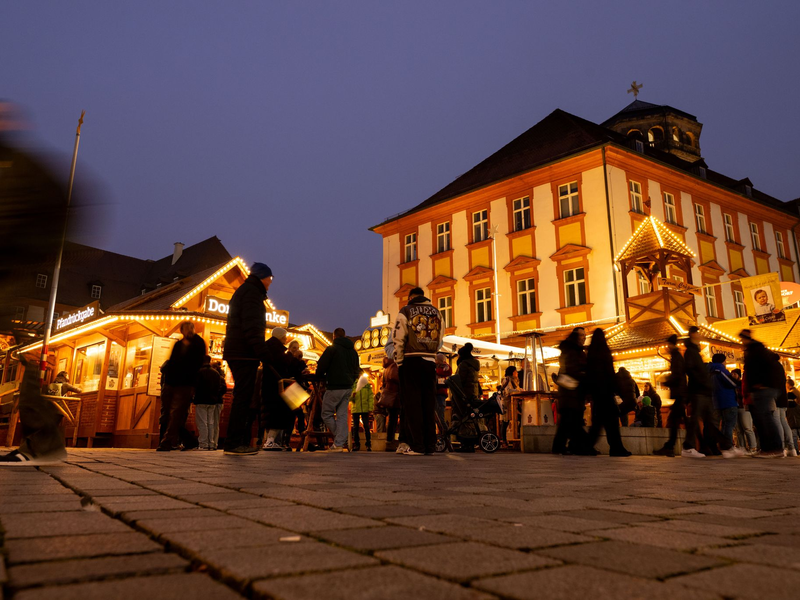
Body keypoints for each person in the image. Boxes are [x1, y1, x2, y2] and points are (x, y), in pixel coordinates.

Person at [0, 102, 71, 464]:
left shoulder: (22, 167)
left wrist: (25, 252)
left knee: (23, 358)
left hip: (9, 268)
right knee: (21, 357)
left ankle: (44, 438)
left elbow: (59, 206)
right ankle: (44, 439)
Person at [222, 262, 274, 456]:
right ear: (263, 277)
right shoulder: (252, 294)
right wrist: (263, 353)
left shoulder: (246, 292)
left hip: (239, 352)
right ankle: (234, 442)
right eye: (270, 278)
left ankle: (235, 441)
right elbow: (252, 328)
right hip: (244, 354)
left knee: (241, 397)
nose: (270, 283)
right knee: (243, 398)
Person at [392, 287, 444, 456]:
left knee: (412, 405)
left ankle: (417, 446)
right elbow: (441, 337)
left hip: (411, 360)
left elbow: (398, 337)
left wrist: (399, 361)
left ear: (411, 297)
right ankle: (430, 445)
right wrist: (432, 352)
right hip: (430, 361)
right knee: (428, 404)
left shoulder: (406, 311)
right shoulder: (437, 311)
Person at [682, 326, 739, 458]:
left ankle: (719, 446)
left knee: (709, 422)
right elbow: (691, 370)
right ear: (693, 335)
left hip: (706, 393)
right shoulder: (691, 352)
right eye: (698, 334)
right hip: (699, 391)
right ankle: (689, 447)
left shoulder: (695, 352)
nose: (700, 337)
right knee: (699, 420)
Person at [157, 321, 206, 452]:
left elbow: (197, 363)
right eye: (186, 328)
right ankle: (189, 440)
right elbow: (172, 362)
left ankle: (167, 442)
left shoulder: (198, 343)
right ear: (182, 331)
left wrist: (193, 384)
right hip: (171, 382)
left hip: (185, 383)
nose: (189, 330)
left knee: (176, 413)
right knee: (168, 413)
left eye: (191, 328)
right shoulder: (178, 344)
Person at [586, 328, 630, 456]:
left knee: (597, 424)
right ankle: (616, 448)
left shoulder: (591, 353)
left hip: (597, 394)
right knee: (612, 423)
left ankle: (587, 446)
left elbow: (589, 375)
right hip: (606, 392)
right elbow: (610, 373)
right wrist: (618, 390)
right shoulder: (604, 352)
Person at [740, 329, 784, 457]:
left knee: (765, 419)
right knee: (762, 419)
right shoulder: (757, 351)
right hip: (760, 389)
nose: (741, 342)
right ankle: (767, 448)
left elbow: (760, 370)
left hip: (762, 389)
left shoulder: (757, 351)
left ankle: (774, 448)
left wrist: (761, 384)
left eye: (742, 339)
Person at [317, 328, 360, 452]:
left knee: (326, 413)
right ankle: (339, 444)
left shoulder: (332, 349)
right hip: (348, 386)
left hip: (334, 386)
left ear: (334, 337)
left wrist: (319, 376)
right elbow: (357, 369)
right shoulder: (353, 351)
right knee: (341, 415)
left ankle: (340, 439)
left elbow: (322, 366)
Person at [552, 327, 591, 455]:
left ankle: (564, 446)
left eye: (585, 335)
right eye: (581, 335)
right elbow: (574, 371)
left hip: (569, 394)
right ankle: (584, 446)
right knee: (573, 423)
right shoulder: (573, 352)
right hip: (571, 394)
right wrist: (584, 376)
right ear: (576, 337)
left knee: (567, 424)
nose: (584, 337)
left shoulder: (570, 351)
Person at [260, 328, 293, 451]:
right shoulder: (277, 349)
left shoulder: (268, 346)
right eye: (284, 336)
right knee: (277, 413)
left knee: (271, 414)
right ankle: (270, 441)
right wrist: (290, 355)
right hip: (276, 386)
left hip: (269, 385)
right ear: (280, 337)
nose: (286, 338)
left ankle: (270, 440)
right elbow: (282, 363)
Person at [654, 334, 687, 457]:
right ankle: (702, 445)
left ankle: (670, 447)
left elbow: (677, 375)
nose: (667, 347)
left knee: (673, 421)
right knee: (682, 421)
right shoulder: (677, 356)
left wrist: (666, 381)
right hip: (681, 394)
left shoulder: (676, 357)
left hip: (679, 394)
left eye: (668, 344)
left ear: (672, 344)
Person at [193, 355, 225, 450]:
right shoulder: (216, 373)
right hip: (212, 401)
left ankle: (203, 443)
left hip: (201, 399)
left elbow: (196, 386)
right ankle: (211, 443)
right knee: (211, 422)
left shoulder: (199, 372)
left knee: (202, 422)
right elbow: (220, 387)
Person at [454, 344, 481, 452]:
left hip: (463, 395)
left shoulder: (464, 364)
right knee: (470, 418)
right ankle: (470, 443)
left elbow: (459, 380)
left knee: (463, 418)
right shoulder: (474, 364)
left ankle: (465, 443)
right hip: (472, 394)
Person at [708, 353, 739, 450]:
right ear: (722, 361)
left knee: (723, 425)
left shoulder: (710, 371)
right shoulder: (720, 370)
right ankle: (728, 446)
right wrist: (736, 381)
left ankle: (723, 446)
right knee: (729, 425)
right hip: (728, 401)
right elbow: (732, 383)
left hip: (717, 402)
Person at [771, 354, 794, 456]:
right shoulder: (780, 367)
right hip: (783, 398)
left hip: (776, 398)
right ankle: (791, 447)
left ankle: (781, 447)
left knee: (777, 422)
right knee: (783, 422)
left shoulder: (772, 368)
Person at [732, 368, 758, 453]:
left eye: (735, 374)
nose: (733, 375)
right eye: (732, 374)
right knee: (739, 430)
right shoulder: (731, 385)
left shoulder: (742, 384)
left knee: (747, 428)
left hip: (744, 407)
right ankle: (742, 447)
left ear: (739, 375)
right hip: (735, 408)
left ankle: (753, 447)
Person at [379, 354, 401, 451]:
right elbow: (396, 378)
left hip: (389, 396)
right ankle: (393, 441)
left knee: (392, 419)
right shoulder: (394, 366)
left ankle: (389, 440)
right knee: (395, 419)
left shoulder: (386, 368)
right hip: (395, 396)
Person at [350, 376, 374, 451]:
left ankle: (368, 444)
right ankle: (357, 444)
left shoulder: (366, 385)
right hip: (356, 408)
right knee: (355, 427)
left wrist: (370, 408)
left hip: (364, 408)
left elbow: (370, 397)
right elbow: (349, 398)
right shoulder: (353, 384)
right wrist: (352, 396)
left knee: (366, 426)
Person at [500, 366, 520, 446]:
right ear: (512, 372)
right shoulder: (507, 380)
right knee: (505, 422)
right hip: (506, 403)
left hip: (512, 403)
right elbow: (508, 391)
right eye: (516, 371)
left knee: (511, 420)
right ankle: (504, 441)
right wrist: (519, 390)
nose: (517, 373)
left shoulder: (514, 380)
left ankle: (511, 439)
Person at [435, 353, 452, 442]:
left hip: (440, 394)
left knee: (440, 416)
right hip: (436, 394)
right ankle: (443, 436)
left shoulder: (444, 367)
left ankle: (446, 436)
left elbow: (448, 371)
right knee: (437, 416)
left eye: (436, 359)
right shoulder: (441, 368)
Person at [786, 378, 800, 454]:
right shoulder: (797, 406)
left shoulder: (793, 392)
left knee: (794, 437)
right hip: (798, 422)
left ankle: (796, 450)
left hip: (792, 423)